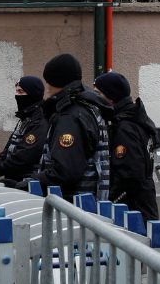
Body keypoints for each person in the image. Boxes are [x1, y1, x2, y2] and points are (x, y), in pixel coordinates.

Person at [26, 54, 111, 201]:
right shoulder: (88, 107)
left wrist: (26, 184)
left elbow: (64, 172)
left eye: (49, 83)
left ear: (57, 82)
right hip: (87, 206)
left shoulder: (71, 117)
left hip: (73, 208)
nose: (47, 89)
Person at [93, 72, 160, 220]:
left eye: (98, 93)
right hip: (140, 203)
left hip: (133, 208)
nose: (95, 97)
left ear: (111, 97)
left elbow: (129, 174)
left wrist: (111, 200)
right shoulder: (134, 119)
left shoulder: (125, 127)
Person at [0, 75, 49, 183]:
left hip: (29, 186)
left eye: (21, 92)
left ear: (32, 94)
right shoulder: (24, 118)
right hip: (14, 182)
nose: (16, 95)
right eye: (16, 91)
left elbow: (26, 155)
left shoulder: (40, 121)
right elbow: (9, 147)